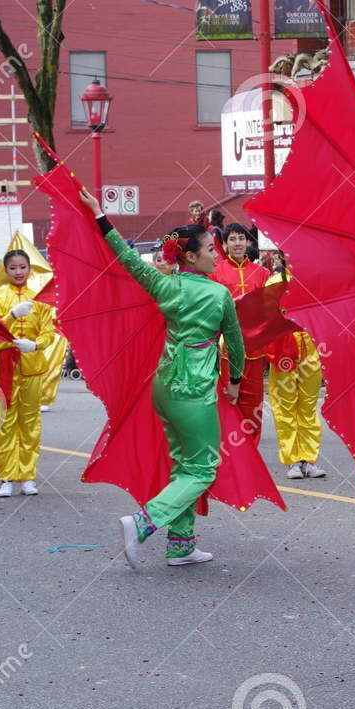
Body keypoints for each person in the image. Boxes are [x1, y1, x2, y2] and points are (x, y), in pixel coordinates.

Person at [78, 188, 245, 568]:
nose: (216, 254)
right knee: (203, 469)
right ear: (190, 256)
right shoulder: (220, 296)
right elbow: (236, 345)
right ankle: (143, 521)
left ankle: (181, 543)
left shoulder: (163, 285)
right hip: (195, 388)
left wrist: (100, 216)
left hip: (165, 386)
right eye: (210, 249)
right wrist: (235, 381)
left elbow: (125, 258)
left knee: (183, 463)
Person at [0, 248, 56, 497]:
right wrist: (11, 315)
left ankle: (27, 475)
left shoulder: (40, 298)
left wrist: (36, 344)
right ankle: (6, 476)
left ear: (30, 268)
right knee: (4, 421)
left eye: (22, 267)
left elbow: (49, 332)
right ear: (5, 271)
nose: (18, 272)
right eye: (13, 268)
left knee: (30, 423)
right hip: (3, 367)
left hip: (32, 367)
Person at [265, 264, 328, 480]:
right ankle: (292, 460)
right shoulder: (274, 282)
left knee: (308, 406)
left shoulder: (314, 281)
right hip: (284, 350)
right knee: (285, 406)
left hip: (311, 350)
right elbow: (266, 319)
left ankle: (309, 459)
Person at [211, 222, 270, 443]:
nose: (237, 243)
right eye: (232, 239)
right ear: (225, 244)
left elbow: (271, 309)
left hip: (256, 348)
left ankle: (251, 457)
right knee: (229, 404)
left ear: (248, 242)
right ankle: (232, 461)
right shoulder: (216, 273)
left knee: (253, 406)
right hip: (227, 350)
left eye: (241, 239)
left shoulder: (262, 273)